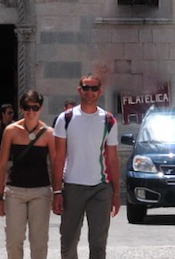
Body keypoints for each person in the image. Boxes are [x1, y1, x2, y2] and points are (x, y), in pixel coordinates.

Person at [51, 74, 120, 259]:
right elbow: (58, 157)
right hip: (72, 186)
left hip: (100, 187)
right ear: (79, 90)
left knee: (98, 243)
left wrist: (116, 193)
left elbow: (113, 158)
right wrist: (57, 191)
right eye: (86, 88)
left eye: (94, 88)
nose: (90, 92)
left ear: (100, 91)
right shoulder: (65, 118)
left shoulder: (108, 120)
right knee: (68, 241)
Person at [0, 89, 53, 259]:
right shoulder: (11, 131)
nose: (31, 111)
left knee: (39, 242)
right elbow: (2, 165)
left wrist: (57, 192)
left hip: (40, 191)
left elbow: (55, 164)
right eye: (27, 107)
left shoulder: (48, 133)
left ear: (40, 108)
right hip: (15, 191)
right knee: (13, 240)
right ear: (21, 108)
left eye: (35, 107)